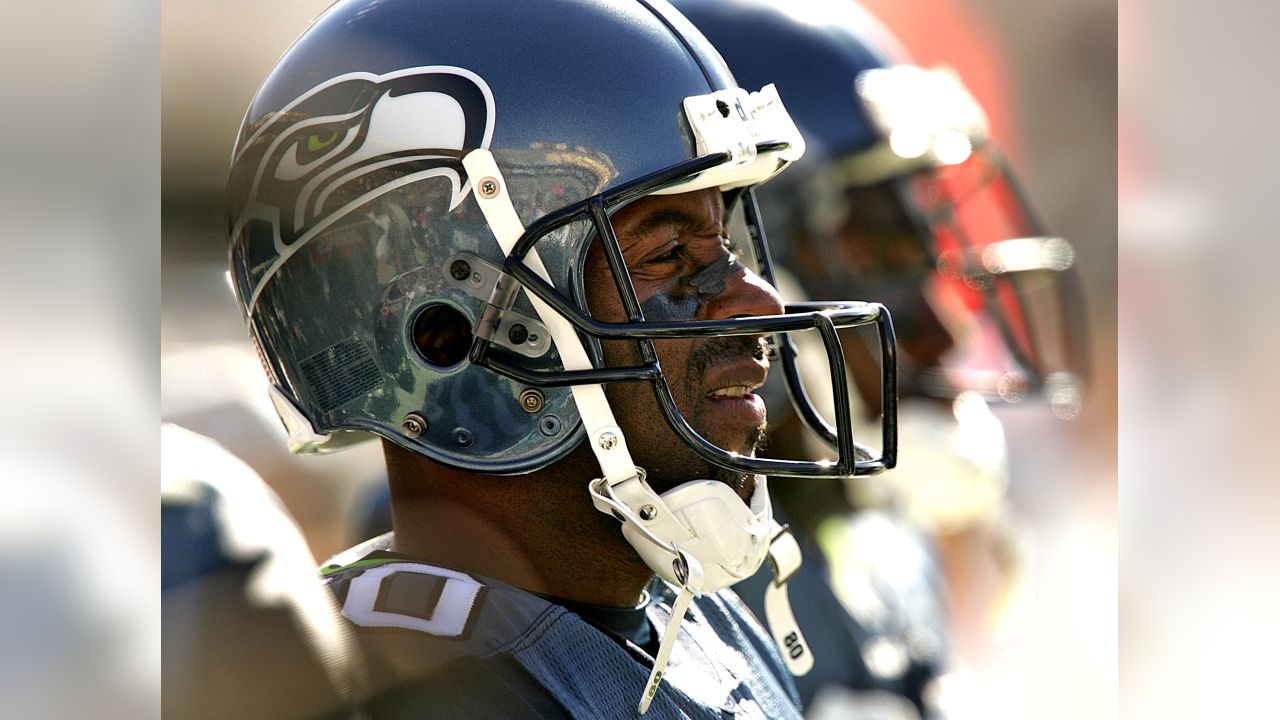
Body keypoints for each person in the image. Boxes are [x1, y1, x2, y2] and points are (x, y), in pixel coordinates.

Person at [224, 0, 898, 717]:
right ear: (445, 333)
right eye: (670, 255)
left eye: (724, 244)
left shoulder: (708, 628)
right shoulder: (416, 693)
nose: (757, 302)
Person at [671, 1, 1089, 717]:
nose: (950, 328)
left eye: (926, 248)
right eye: (881, 257)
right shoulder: (611, 585)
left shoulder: (885, 540)